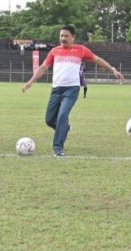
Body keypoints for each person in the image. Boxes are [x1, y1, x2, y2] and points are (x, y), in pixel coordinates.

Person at [22, 25, 123, 157]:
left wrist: (113, 69)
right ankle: (65, 128)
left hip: (71, 90)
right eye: (61, 36)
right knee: (49, 120)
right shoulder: (54, 51)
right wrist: (31, 82)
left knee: (62, 115)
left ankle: (58, 148)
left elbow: (97, 59)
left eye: (66, 36)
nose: (63, 38)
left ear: (73, 37)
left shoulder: (80, 50)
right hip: (56, 89)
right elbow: (43, 67)